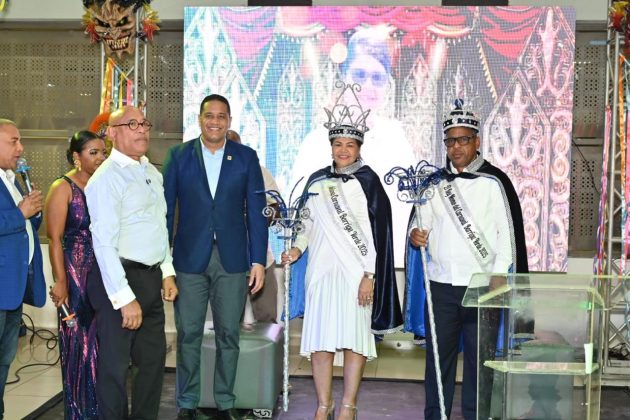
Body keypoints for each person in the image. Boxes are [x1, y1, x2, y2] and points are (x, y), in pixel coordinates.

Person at [282, 82, 402, 420]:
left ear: (359, 147)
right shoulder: (316, 181)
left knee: (353, 341)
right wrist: (296, 250)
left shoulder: (369, 182)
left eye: (350, 144)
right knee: (320, 343)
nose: (343, 150)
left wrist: (370, 276)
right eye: (338, 144)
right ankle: (324, 404)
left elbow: (378, 235)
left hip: (356, 276)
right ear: (331, 146)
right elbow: (306, 226)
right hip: (321, 272)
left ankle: (348, 405)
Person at [405, 101, 528, 420]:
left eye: (462, 140)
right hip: (441, 286)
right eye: (450, 141)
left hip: (481, 287)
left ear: (476, 142)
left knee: (480, 363)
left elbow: (507, 235)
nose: (456, 147)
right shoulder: (434, 183)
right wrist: (416, 234)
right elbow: (422, 223)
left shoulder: (494, 182)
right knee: (438, 362)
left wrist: (499, 274)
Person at [163, 95, 267, 420]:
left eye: (222, 116)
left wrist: (258, 261)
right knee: (188, 333)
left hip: (232, 260)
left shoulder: (246, 157)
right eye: (210, 115)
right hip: (188, 260)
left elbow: (257, 213)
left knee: (229, 335)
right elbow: (166, 211)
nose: (215, 122)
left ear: (229, 121)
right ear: (200, 119)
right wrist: (164, 264)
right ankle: (187, 403)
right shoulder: (178, 156)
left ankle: (225, 402)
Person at [291, 26, 416, 268]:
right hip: (328, 262)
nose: (368, 85)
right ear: (344, 78)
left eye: (377, 78)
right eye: (359, 75)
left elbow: (406, 212)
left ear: (387, 85)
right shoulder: (316, 142)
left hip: (383, 262)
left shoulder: (397, 142)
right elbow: (301, 209)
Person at [85, 106, 178, 420]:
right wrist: (124, 298)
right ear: (112, 133)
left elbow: (158, 226)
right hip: (118, 280)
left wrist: (167, 271)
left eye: (145, 123)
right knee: (114, 368)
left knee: (151, 363)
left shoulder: (151, 171)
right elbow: (103, 243)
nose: (142, 130)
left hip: (150, 277)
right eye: (132, 124)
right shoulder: (106, 178)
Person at [46, 130, 107, 419]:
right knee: (79, 342)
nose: (100, 158)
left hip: (102, 271)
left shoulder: (102, 184)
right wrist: (61, 281)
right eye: (93, 152)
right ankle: (80, 411)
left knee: (101, 341)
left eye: (103, 152)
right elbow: (54, 239)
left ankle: (99, 407)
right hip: (75, 273)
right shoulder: (63, 187)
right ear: (76, 157)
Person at [0, 119, 46, 420]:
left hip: (12, 287)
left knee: (5, 359)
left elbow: (24, 225)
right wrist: (21, 213)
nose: (20, 148)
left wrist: (33, 211)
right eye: (13, 141)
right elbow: (14, 219)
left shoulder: (10, 178)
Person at [226, 129, 278, 324]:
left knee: (267, 319)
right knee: (228, 320)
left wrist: (255, 219)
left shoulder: (259, 171)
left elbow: (276, 208)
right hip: (225, 261)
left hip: (262, 258)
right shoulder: (210, 174)